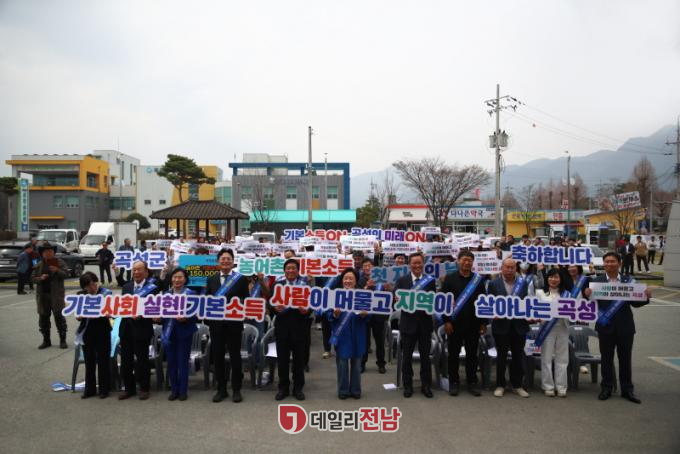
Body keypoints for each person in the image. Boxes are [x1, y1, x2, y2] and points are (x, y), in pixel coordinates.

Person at [584, 252, 652, 404]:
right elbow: (589, 304)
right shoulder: (597, 282)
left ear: (619, 263)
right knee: (606, 359)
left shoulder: (629, 281)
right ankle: (606, 388)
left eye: (612, 261)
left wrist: (646, 297)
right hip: (605, 326)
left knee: (625, 359)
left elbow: (636, 303)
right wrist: (587, 294)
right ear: (603, 264)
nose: (609, 264)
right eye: (607, 261)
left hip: (625, 327)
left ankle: (627, 390)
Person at [206, 249, 250, 403]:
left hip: (234, 324)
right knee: (217, 357)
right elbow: (207, 299)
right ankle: (221, 389)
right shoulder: (211, 279)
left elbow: (246, 299)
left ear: (233, 261)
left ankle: (236, 389)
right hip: (216, 325)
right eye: (223, 259)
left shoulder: (240, 279)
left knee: (235, 357)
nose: (225, 261)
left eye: (228, 259)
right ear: (218, 261)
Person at [441, 250, 487, 397]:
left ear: (473, 262)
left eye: (469, 260)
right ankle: (454, 382)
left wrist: (483, 323)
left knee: (472, 354)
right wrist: (446, 321)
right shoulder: (449, 278)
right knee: (453, 354)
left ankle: (472, 382)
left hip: (473, 324)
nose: (467, 263)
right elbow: (444, 302)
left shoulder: (478, 280)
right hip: (454, 324)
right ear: (458, 261)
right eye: (464, 260)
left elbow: (483, 302)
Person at [395, 252, 436, 398]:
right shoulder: (402, 280)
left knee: (425, 357)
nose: (417, 265)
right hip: (408, 324)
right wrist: (396, 298)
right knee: (407, 357)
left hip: (425, 324)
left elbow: (433, 301)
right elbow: (396, 300)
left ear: (423, 264)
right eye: (414, 263)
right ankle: (408, 385)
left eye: (419, 263)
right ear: (409, 265)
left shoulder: (430, 281)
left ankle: (426, 385)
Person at [487, 258, 530, 398]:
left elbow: (526, 302)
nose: (510, 270)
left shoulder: (523, 283)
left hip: (519, 325)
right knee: (501, 357)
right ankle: (500, 385)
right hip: (501, 326)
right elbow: (489, 303)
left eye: (512, 267)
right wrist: (492, 315)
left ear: (516, 268)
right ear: (502, 268)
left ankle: (517, 385)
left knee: (518, 356)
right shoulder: (493, 284)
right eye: (507, 267)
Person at [119, 261, 160, 400]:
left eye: (139, 270)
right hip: (126, 329)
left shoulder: (152, 288)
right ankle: (128, 389)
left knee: (142, 360)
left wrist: (141, 315)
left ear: (146, 272)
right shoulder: (126, 287)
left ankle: (144, 388)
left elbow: (154, 308)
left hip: (142, 328)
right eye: (134, 270)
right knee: (126, 361)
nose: (136, 272)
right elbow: (122, 306)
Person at [271, 258, 309, 401]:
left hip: (300, 328)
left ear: (298, 271)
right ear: (284, 271)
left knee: (299, 361)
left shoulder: (304, 286)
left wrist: (307, 310)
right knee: (282, 360)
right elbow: (270, 304)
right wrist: (274, 308)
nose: (291, 270)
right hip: (282, 328)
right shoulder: (277, 285)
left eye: (293, 268)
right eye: (288, 268)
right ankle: (283, 388)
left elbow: (312, 304)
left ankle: (298, 388)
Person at [329, 268, 369, 399]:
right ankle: (343, 391)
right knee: (342, 364)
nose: (348, 281)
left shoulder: (362, 295)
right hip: (342, 334)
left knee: (357, 364)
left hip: (358, 334)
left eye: (351, 278)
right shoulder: (335, 295)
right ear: (342, 280)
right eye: (345, 278)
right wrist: (334, 314)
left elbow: (369, 315)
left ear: (356, 281)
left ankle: (356, 391)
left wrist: (365, 315)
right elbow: (328, 315)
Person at [162, 268, 198, 401]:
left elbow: (196, 314)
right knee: (171, 362)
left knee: (183, 362)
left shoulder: (192, 294)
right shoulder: (165, 294)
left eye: (180, 277)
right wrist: (157, 317)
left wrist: (186, 318)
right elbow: (162, 313)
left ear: (185, 279)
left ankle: (183, 390)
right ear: (171, 279)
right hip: (169, 332)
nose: (177, 280)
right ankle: (174, 390)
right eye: (175, 277)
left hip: (184, 332)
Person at [75, 272, 112, 399]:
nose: (92, 287)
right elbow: (78, 315)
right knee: (89, 360)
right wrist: (79, 316)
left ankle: (104, 389)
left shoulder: (105, 293)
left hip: (102, 330)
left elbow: (111, 312)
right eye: (88, 286)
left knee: (103, 360)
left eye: (93, 284)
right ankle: (90, 389)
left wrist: (107, 313)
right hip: (87, 331)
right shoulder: (81, 295)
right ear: (84, 287)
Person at [535, 269, 570, 397]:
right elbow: (534, 310)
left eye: (556, 277)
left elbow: (575, 311)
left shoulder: (567, 294)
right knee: (546, 358)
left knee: (562, 359)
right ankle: (548, 386)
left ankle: (561, 387)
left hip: (563, 328)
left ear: (561, 279)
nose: (553, 279)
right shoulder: (540, 293)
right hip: (546, 329)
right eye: (550, 277)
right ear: (547, 278)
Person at [32, 243, 69, 349]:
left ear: (53, 253)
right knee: (43, 319)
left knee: (59, 318)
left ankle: (63, 340)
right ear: (42, 254)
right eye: (46, 252)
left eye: (50, 251)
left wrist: (57, 270)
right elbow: (32, 278)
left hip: (56, 296)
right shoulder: (39, 264)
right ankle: (46, 340)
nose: (48, 253)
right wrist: (40, 278)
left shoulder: (59, 262)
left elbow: (66, 274)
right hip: (43, 296)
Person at [359, 258, 387, 374]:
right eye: (365, 266)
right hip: (364, 315)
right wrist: (366, 286)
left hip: (378, 315)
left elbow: (387, 295)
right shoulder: (360, 280)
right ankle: (362, 363)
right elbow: (357, 294)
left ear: (373, 267)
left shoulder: (381, 279)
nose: (367, 268)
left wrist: (387, 288)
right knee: (364, 341)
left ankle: (381, 364)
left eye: (369, 265)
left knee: (380, 341)